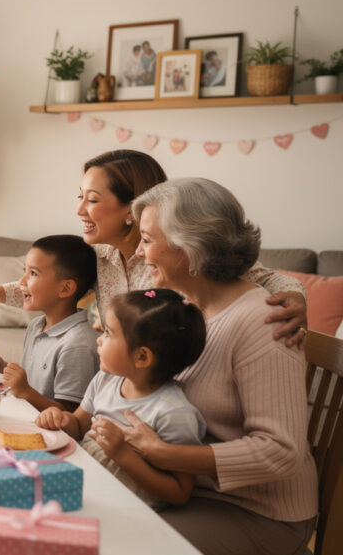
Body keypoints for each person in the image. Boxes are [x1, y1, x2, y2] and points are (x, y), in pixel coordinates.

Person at [0, 150, 309, 347]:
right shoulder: (97, 257)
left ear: (131, 209)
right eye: (81, 197)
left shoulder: (178, 257)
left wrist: (295, 296)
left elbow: (264, 276)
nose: (79, 210)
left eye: (92, 200)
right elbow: (41, 286)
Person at [119, 178, 317, 555]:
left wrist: (165, 454)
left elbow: (280, 451)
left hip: (257, 510)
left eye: (147, 240)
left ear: (191, 246)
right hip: (187, 490)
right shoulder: (184, 310)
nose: (140, 254)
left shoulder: (262, 321)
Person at [36, 289, 207, 509]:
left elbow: (179, 492)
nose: (98, 339)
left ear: (142, 356)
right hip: (88, 487)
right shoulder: (106, 380)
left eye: (108, 333)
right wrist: (60, 419)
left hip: (128, 507)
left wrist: (122, 454)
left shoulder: (174, 413)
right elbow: (78, 425)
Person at [0, 235, 99, 412]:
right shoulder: (36, 326)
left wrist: (26, 392)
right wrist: (2, 367)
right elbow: (34, 382)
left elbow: (69, 418)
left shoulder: (77, 345)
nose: (21, 281)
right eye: (25, 270)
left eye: (33, 273)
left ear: (65, 288)